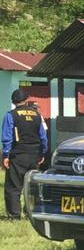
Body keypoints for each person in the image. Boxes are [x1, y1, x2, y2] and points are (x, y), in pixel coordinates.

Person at [2, 89, 48, 219]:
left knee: (13, 187)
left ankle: (14, 215)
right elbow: (43, 136)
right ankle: (31, 212)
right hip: (34, 154)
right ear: (26, 100)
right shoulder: (37, 115)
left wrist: (6, 155)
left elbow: (7, 137)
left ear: (13, 101)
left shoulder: (10, 115)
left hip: (18, 155)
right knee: (32, 186)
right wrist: (43, 152)